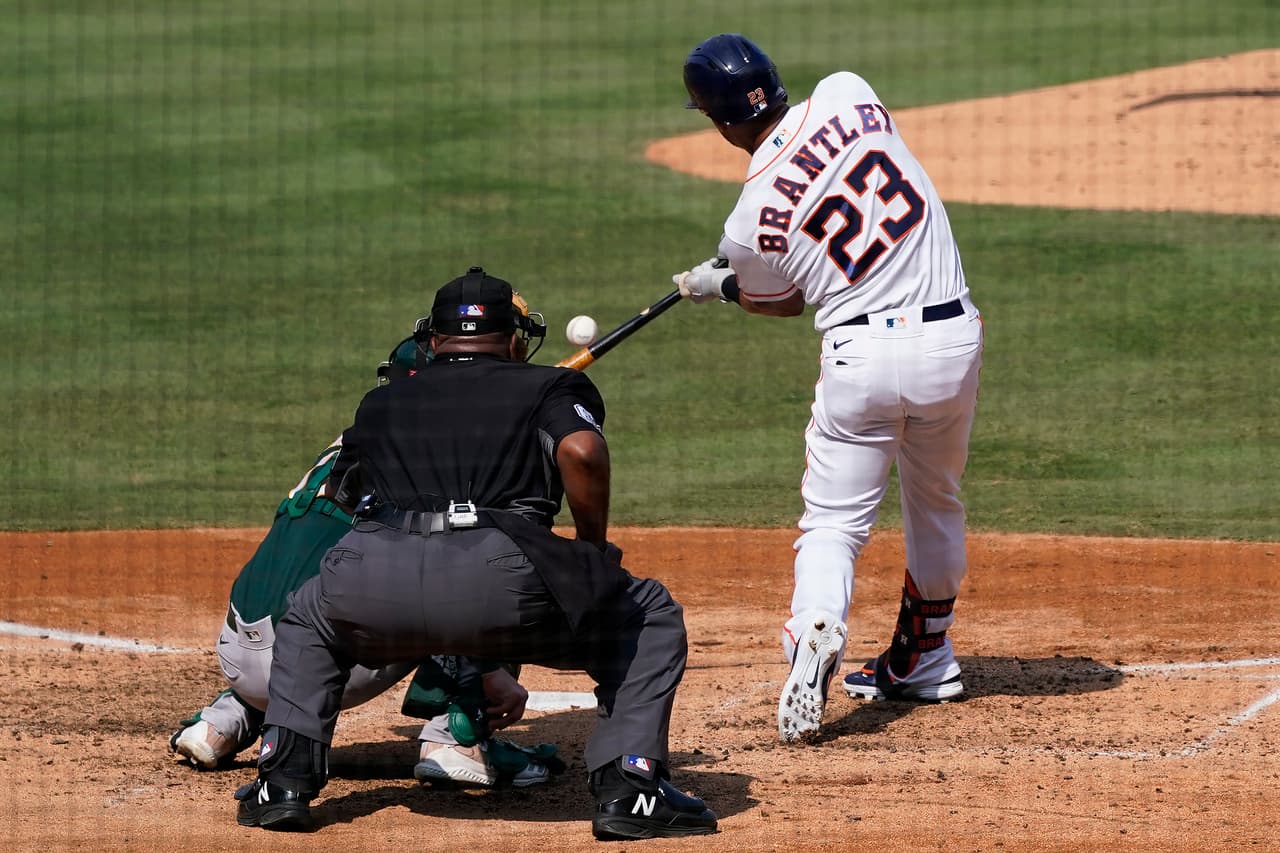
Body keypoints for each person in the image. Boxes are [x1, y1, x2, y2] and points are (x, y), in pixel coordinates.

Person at [233, 266, 717, 840]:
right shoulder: (550, 386)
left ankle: (281, 782)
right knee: (650, 614)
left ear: (433, 341)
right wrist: (589, 549)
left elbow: (342, 493)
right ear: (515, 339)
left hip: (373, 579)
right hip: (498, 579)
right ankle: (631, 792)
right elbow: (583, 452)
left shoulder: (381, 402)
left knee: (311, 617)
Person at [673, 34, 984, 743]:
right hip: (951, 340)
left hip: (862, 358)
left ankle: (814, 626)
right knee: (935, 500)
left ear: (718, 121)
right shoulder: (849, 89)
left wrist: (720, 282)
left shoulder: (748, 221)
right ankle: (929, 656)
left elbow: (778, 300)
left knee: (834, 524)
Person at [170, 334, 559, 788]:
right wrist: (489, 671)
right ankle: (454, 740)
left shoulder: (357, 437)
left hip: (238, 648)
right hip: (318, 655)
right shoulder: (438, 458)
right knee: (488, 566)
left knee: (337, 581)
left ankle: (223, 721)